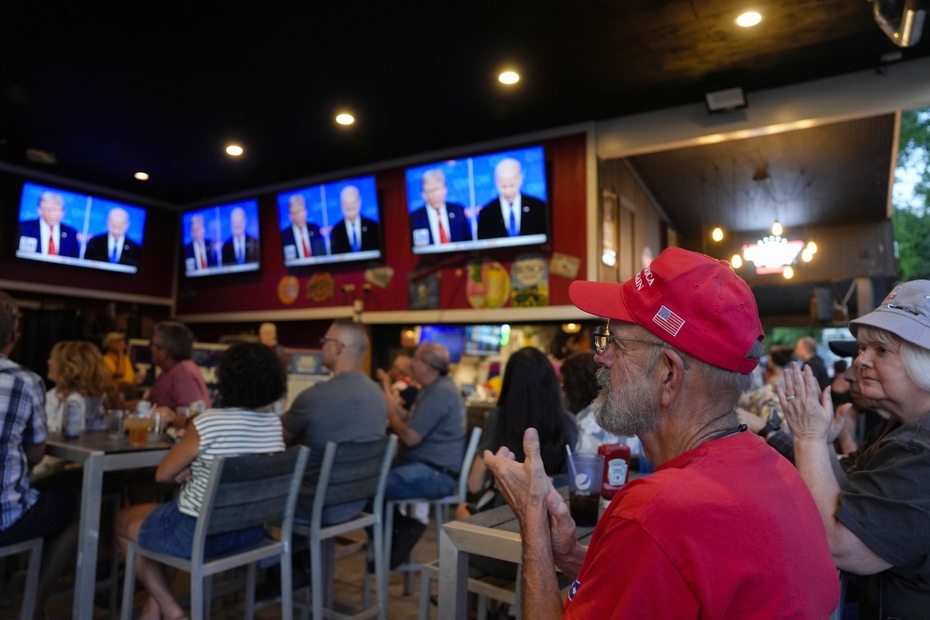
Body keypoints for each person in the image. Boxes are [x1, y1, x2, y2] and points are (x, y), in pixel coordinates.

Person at [484, 248, 839, 619]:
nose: (600, 357)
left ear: (669, 375)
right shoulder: (780, 472)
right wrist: (572, 556)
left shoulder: (657, 512)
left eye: (615, 344)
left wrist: (534, 530)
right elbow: (677, 585)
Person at [780, 280, 930, 619]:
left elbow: (843, 547)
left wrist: (808, 438)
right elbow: (846, 498)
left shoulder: (920, 447)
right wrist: (822, 443)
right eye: (863, 348)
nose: (861, 361)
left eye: (881, 350)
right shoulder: (902, 427)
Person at [115, 342, 286, 620]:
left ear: (227, 378)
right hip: (249, 530)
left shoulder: (208, 422)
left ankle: (169, 608)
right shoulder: (274, 425)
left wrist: (184, 469)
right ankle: (152, 609)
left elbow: (163, 475)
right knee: (166, 521)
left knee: (123, 521)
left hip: (198, 535)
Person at [457, 348, 578, 579]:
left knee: (462, 513)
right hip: (556, 547)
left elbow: (473, 484)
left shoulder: (499, 418)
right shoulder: (569, 423)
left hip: (508, 541)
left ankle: (471, 603)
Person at [0, 291, 79, 619]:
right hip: (5, 519)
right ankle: (31, 606)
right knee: (78, 505)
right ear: (15, 337)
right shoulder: (25, 381)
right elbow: (35, 453)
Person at [281, 320, 386, 524]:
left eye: (324, 341)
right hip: (356, 501)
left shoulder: (314, 397)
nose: (321, 347)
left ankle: (275, 554)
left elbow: (276, 438)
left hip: (312, 506)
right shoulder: (378, 394)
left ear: (338, 347)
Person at [384, 342, 464, 500]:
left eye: (415, 358)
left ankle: (403, 525)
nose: (410, 363)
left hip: (436, 474)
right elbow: (418, 422)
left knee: (370, 485)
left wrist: (390, 411)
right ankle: (401, 523)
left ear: (427, 366)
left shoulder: (439, 392)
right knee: (369, 477)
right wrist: (394, 407)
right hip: (428, 467)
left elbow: (410, 438)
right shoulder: (435, 387)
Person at [561, 350, 634, 454]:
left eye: (565, 385)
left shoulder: (581, 426)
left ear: (575, 387)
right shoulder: (631, 412)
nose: (564, 393)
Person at [44, 340, 115, 433]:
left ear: (70, 367)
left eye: (55, 359)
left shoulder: (79, 401)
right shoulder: (52, 394)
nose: (49, 362)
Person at [146, 321, 211, 420]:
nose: (150, 348)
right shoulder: (169, 371)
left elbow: (193, 418)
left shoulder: (183, 374)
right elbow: (149, 406)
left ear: (164, 352)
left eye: (152, 344)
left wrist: (170, 417)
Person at [477, 158, 547, 240]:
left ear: (520, 180)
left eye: (512, 185)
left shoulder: (539, 207)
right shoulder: (486, 213)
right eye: (503, 186)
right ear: (496, 182)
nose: (508, 192)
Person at [409, 169, 472, 246]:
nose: (435, 195)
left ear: (445, 189)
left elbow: (469, 242)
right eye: (430, 191)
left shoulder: (458, 210)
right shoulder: (415, 218)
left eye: (438, 189)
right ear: (423, 194)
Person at [17, 191, 80, 258]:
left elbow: (74, 260)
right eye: (48, 210)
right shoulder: (24, 228)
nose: (51, 214)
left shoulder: (71, 233)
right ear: (39, 210)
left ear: (63, 212)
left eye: (55, 210)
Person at [330, 185, 380, 253]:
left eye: (353, 208)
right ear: (341, 206)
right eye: (348, 209)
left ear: (359, 203)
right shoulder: (336, 231)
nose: (351, 214)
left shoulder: (373, 226)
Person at [281, 194, 326, 260]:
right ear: (290, 215)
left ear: (306, 211)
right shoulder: (284, 235)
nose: (299, 216)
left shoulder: (315, 229)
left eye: (301, 211)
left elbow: (322, 255)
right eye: (295, 213)